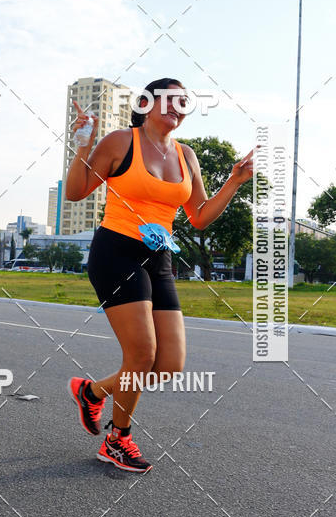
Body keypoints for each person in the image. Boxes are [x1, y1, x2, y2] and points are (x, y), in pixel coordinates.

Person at [66, 79, 254, 473]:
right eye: (170, 99)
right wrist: (83, 145)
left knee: (169, 363)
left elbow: (199, 216)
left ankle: (92, 392)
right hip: (116, 251)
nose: (178, 106)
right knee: (141, 355)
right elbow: (76, 192)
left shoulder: (186, 155)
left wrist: (235, 181)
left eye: (184, 102)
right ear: (145, 103)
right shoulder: (121, 142)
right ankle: (118, 441)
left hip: (159, 256)